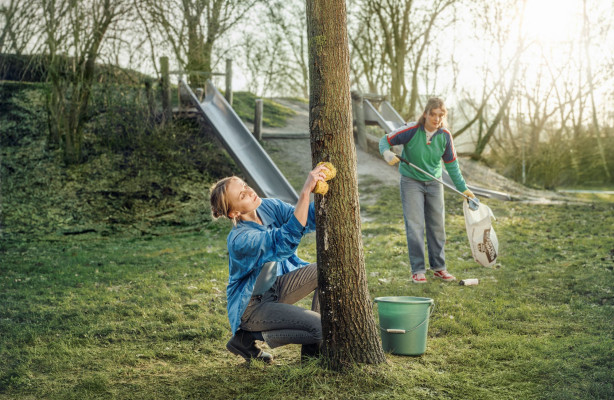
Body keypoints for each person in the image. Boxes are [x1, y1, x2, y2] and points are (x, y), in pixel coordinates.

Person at [209, 164, 330, 363]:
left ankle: (311, 357)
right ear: (233, 213)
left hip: (276, 286)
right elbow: (284, 241)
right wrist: (305, 191)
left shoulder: (267, 206)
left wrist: (326, 192)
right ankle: (246, 338)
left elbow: (305, 218)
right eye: (242, 195)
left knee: (324, 270)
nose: (249, 191)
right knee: (320, 327)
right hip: (253, 307)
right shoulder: (240, 240)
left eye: (245, 186)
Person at [379, 97, 477, 284]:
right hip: (411, 181)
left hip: (434, 182)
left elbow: (452, 165)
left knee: (437, 226)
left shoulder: (445, 136)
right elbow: (385, 140)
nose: (437, 119)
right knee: (415, 226)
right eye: (433, 114)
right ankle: (418, 270)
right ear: (425, 114)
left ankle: (439, 268)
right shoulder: (410, 131)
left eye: (441, 115)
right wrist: (386, 152)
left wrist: (464, 189)